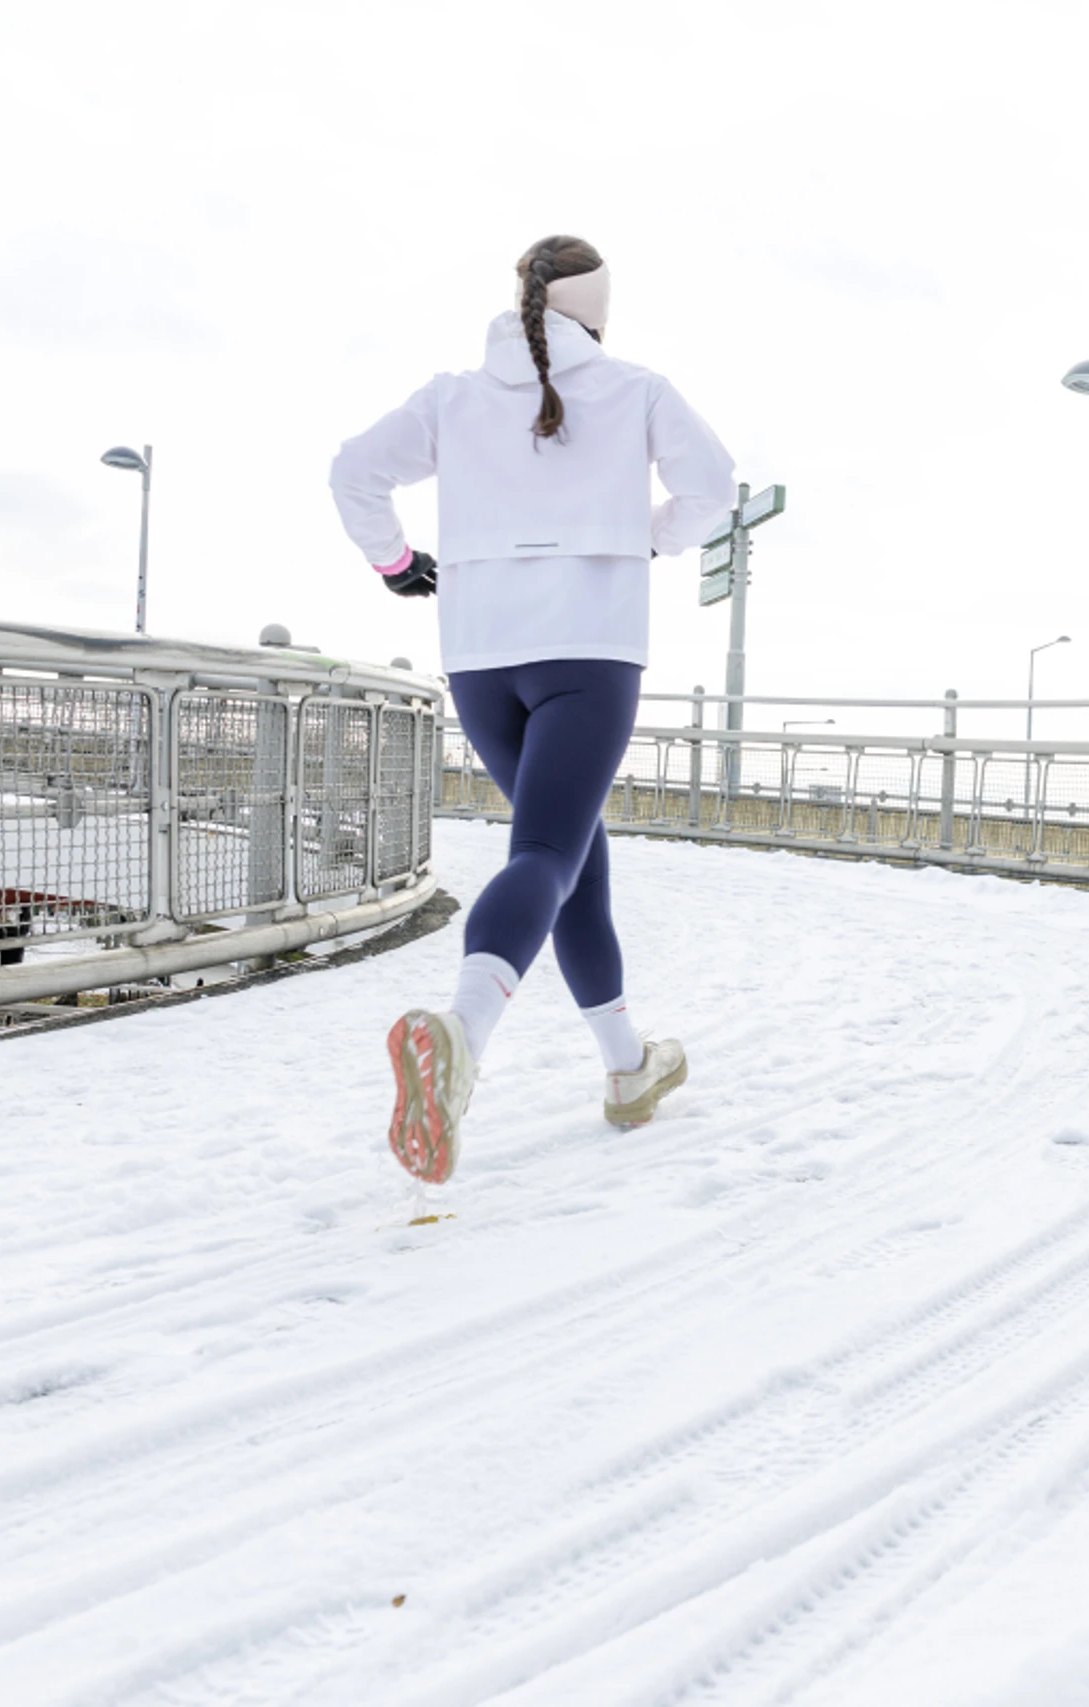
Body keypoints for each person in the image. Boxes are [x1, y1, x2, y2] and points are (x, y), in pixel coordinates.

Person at [329, 235, 735, 1183]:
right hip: (588, 652)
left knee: (573, 855)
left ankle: (629, 1069)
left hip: (479, 659)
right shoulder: (636, 389)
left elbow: (354, 470)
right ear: (595, 310)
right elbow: (711, 490)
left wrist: (396, 565)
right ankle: (459, 1040)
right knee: (549, 853)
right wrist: (646, 539)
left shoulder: (453, 396)